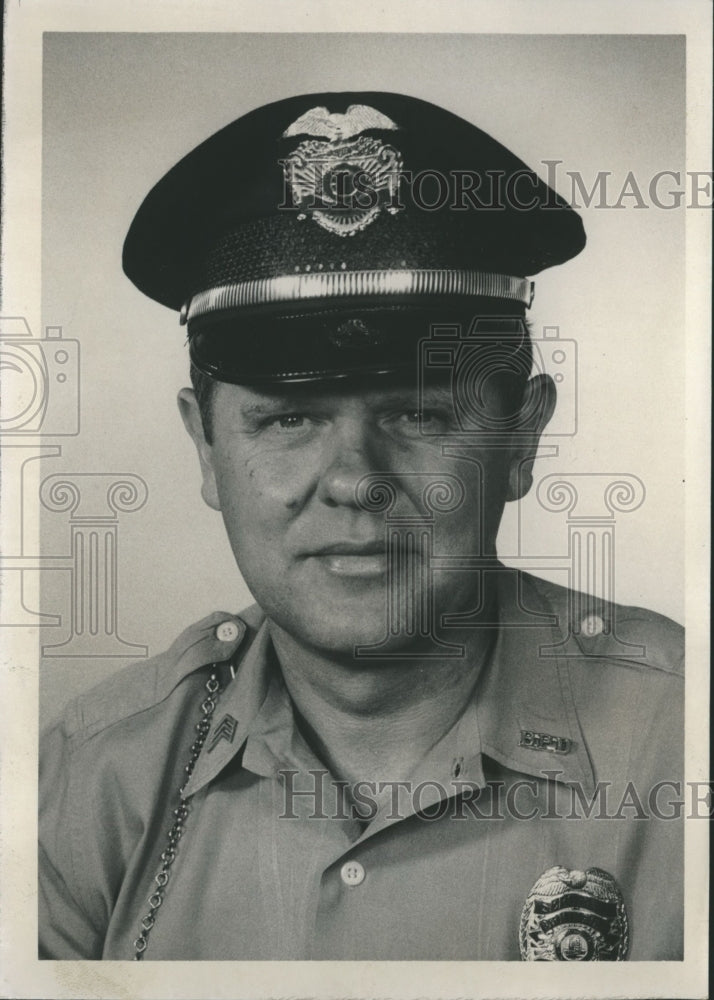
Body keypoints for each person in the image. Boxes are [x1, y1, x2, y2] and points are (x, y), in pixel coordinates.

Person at [39, 91, 683, 961]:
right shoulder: (92, 780)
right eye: (287, 419)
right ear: (204, 445)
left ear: (521, 437)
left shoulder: (680, 741)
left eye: (420, 415)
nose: (354, 482)